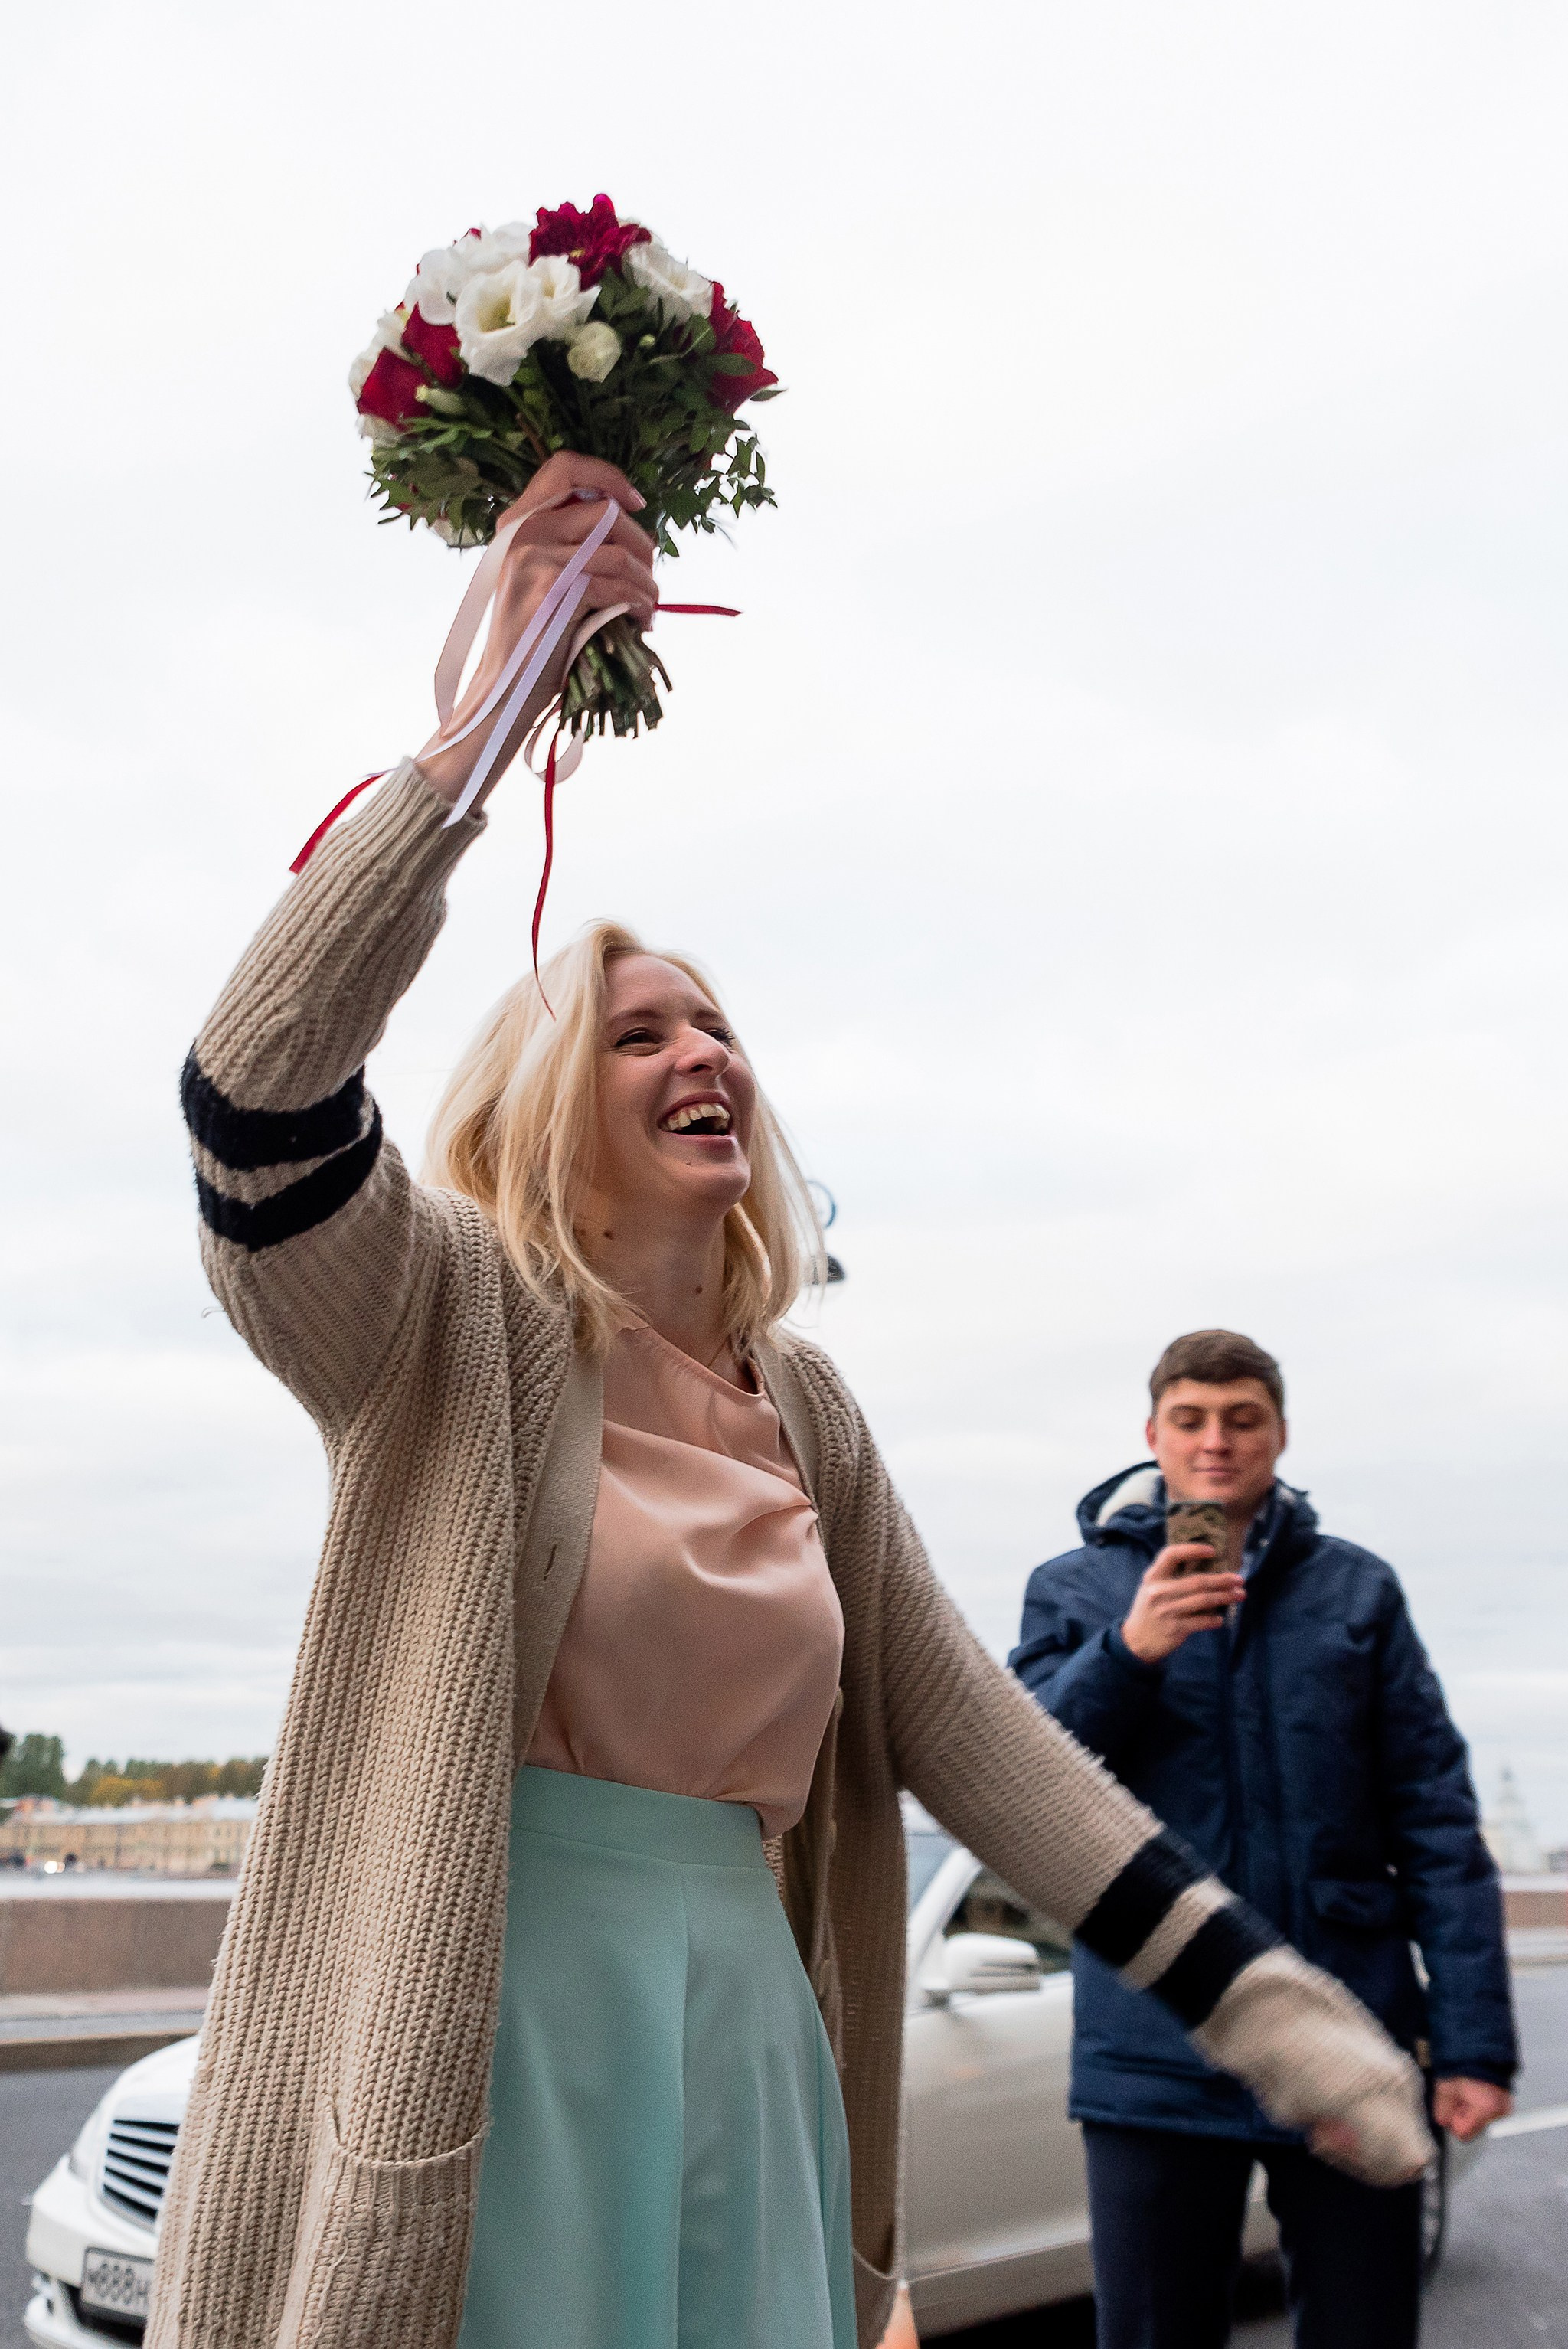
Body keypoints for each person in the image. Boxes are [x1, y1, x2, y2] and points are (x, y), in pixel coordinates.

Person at [152, 461, 1432, 2349]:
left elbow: (981, 1743)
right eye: (641, 1028)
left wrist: (1258, 1997)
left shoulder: (806, 1409)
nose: (704, 1052)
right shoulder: (434, 1315)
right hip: (490, 2026)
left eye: (718, 1022)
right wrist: (473, 733)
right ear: (541, 1115)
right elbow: (253, 1091)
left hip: (752, 2015)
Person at [1011, 1327, 1517, 2349]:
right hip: (1157, 2039)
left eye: (1243, 1420)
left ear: (1279, 1434)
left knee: (1368, 2330)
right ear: (1152, 1433)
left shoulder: (1357, 1592)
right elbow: (1020, 1782)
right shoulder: (1075, 1590)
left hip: (1346, 2030)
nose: (1217, 1443)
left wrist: (1472, 2046)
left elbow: (1437, 1822)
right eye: (1191, 1420)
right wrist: (1127, 1653)